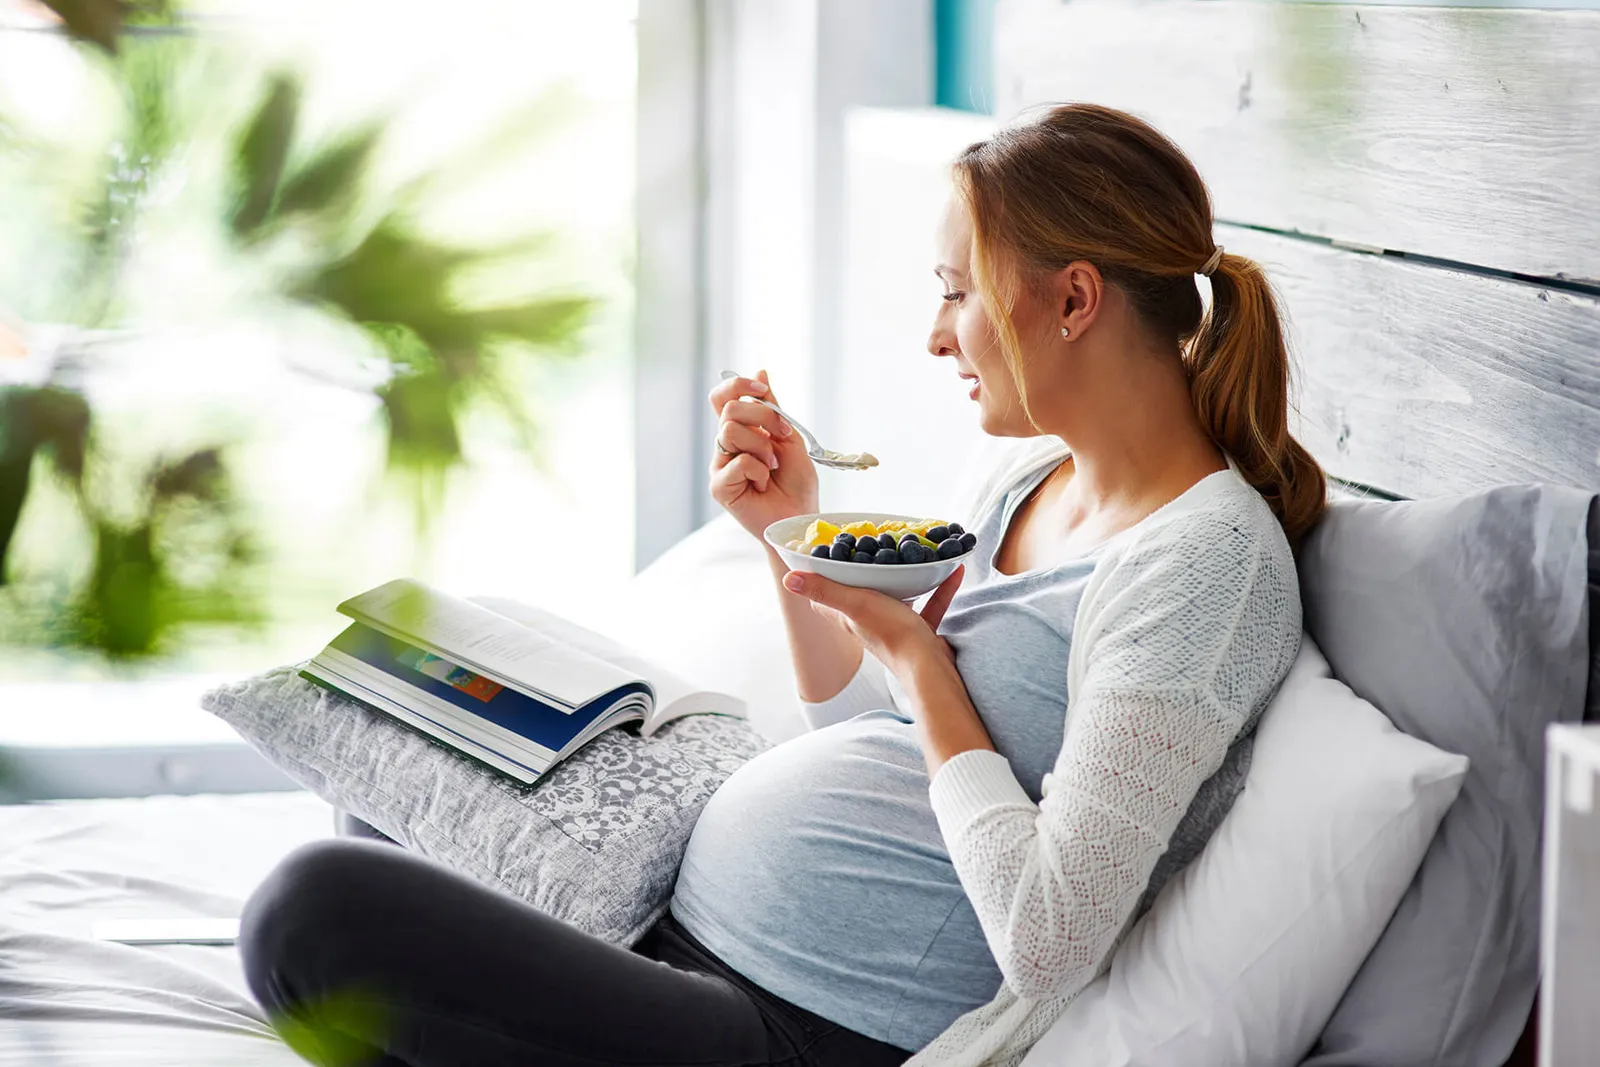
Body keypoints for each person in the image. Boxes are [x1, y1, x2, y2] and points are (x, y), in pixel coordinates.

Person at [238, 103, 1321, 1067]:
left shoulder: (1204, 567)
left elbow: (1049, 936)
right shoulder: (1025, 475)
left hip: (797, 1024)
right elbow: (859, 727)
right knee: (399, 771)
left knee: (311, 909)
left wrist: (923, 668)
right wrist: (791, 539)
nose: (937, 335)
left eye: (956, 293)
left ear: (1074, 298)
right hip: (672, 923)